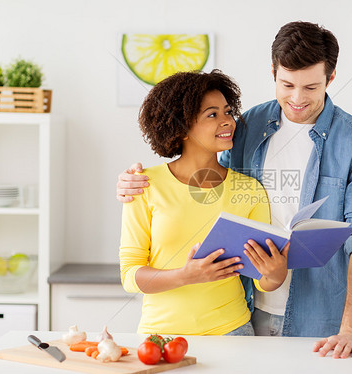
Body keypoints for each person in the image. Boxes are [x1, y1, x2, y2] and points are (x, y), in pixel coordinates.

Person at [117, 21, 352, 358]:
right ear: (273, 72)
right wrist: (135, 181)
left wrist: (350, 329)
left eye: (311, 87)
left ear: (331, 78)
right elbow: (202, 174)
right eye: (287, 84)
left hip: (322, 320)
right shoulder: (248, 127)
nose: (297, 98)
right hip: (249, 311)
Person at [119, 69, 289, 336]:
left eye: (228, 112)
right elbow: (130, 275)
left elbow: (261, 279)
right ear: (182, 127)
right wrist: (185, 275)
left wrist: (276, 274)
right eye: (212, 114)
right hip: (160, 336)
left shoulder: (250, 190)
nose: (228, 121)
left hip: (233, 332)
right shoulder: (144, 184)